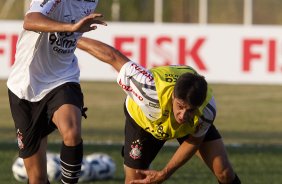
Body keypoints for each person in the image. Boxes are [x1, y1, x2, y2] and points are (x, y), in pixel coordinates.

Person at [77, 37, 241, 184]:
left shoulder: (207, 109)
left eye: (190, 110)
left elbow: (195, 140)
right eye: (180, 106)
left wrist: (164, 173)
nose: (183, 115)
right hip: (143, 122)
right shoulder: (149, 88)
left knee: (224, 172)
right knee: (135, 182)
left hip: (184, 129)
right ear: (172, 96)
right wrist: (72, 35)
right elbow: (112, 56)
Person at [7, 0, 106, 183]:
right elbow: (30, 20)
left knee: (72, 132)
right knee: (37, 178)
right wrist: (71, 27)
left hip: (63, 77)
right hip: (24, 86)